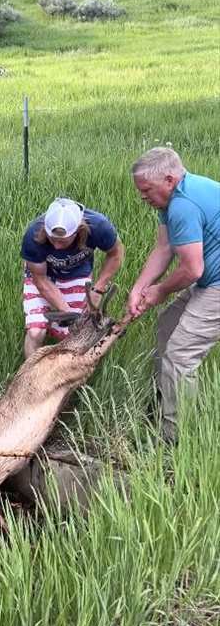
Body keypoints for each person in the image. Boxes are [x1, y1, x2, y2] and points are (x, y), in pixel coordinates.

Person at [126, 147, 220, 441]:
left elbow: (192, 269)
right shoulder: (172, 199)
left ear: (168, 179)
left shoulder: (184, 205)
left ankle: (176, 440)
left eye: (146, 189)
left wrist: (161, 290)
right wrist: (139, 288)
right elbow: (164, 248)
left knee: (180, 355)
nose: (142, 196)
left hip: (215, 283)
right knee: (168, 324)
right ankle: (163, 403)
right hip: (210, 278)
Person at [21, 197, 125, 357]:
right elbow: (40, 279)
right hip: (43, 277)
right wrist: (66, 311)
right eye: (52, 239)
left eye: (63, 241)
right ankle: (30, 377)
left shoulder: (98, 226)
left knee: (74, 333)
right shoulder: (34, 233)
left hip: (76, 274)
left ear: (78, 230)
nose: (56, 246)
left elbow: (116, 254)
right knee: (36, 332)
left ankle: (63, 374)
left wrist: (98, 289)